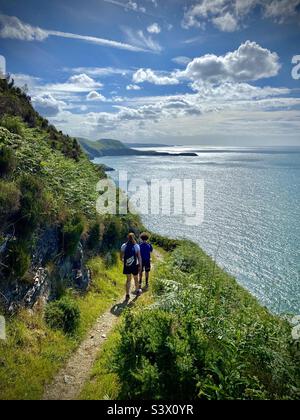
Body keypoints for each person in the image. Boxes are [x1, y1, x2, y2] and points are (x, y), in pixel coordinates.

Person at [121, 233, 142, 301]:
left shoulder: (124, 245)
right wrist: (140, 266)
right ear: (134, 238)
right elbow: (139, 257)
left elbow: (121, 257)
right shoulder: (136, 246)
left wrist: (124, 262)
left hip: (127, 266)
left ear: (127, 237)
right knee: (136, 279)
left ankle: (127, 295)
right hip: (134, 266)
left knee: (128, 280)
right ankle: (137, 291)